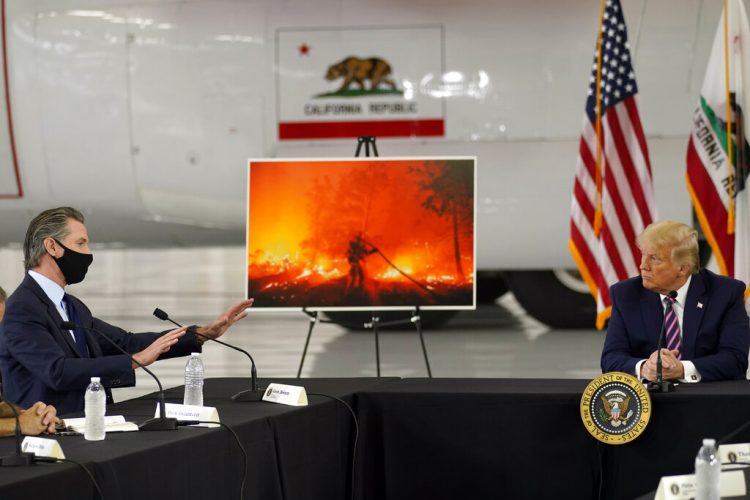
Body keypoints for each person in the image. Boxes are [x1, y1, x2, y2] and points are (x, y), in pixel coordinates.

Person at [0, 207, 254, 415]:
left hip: (83, 428)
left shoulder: (72, 306)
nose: (88, 253)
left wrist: (199, 334)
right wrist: (136, 361)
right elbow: (57, 371)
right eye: (81, 243)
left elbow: (124, 342)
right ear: (52, 247)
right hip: (46, 437)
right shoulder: (22, 308)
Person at [601, 220, 750, 382]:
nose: (643, 265)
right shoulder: (626, 294)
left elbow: (735, 359)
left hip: (709, 399)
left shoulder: (725, 293)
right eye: (643, 254)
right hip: (649, 401)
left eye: (655, 258)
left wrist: (682, 369)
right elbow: (611, 357)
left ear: (683, 268)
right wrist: (644, 367)